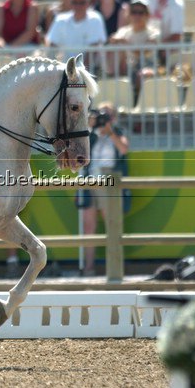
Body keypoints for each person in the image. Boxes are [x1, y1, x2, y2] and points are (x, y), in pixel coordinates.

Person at [78, 102, 129, 276]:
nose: (103, 119)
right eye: (101, 115)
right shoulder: (90, 134)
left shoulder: (118, 133)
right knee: (88, 226)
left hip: (109, 184)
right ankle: (89, 268)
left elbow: (123, 149)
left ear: (113, 118)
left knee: (112, 225)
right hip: (90, 182)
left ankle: (113, 269)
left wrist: (110, 132)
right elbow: (81, 153)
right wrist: (92, 128)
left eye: (107, 116)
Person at [46, 0, 107, 70]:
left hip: (91, 70)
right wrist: (51, 69)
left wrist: (80, 73)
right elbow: (52, 47)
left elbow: (93, 51)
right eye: (75, 2)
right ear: (70, 2)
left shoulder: (95, 19)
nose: (78, 5)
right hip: (66, 70)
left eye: (82, 2)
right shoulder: (60, 20)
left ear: (89, 2)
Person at [110, 0, 160, 90]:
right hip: (127, 68)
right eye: (133, 12)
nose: (137, 16)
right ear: (128, 15)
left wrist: (125, 43)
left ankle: (136, 100)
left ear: (147, 15)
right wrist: (116, 40)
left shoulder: (154, 32)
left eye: (140, 12)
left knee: (143, 75)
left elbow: (144, 52)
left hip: (148, 67)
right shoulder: (123, 31)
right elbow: (112, 40)